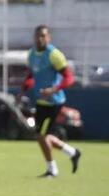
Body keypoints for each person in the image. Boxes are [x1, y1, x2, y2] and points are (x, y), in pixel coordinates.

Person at [20, 25, 81, 178]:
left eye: (43, 36)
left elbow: (69, 78)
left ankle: (52, 170)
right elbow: (31, 74)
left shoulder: (54, 54)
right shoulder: (32, 54)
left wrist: (53, 90)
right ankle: (72, 152)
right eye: (38, 36)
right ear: (34, 37)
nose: (40, 38)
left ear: (49, 38)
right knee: (43, 136)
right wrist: (24, 89)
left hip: (54, 101)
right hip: (41, 101)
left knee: (42, 136)